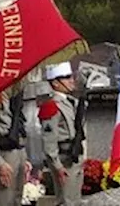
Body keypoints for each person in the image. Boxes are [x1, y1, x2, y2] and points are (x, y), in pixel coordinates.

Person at [39, 62, 85, 205]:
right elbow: (49, 141)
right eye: (66, 77)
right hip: (64, 159)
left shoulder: (72, 102)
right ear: (55, 83)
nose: (72, 80)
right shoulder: (51, 106)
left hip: (75, 155)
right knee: (66, 200)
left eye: (71, 76)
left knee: (75, 200)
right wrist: (57, 166)